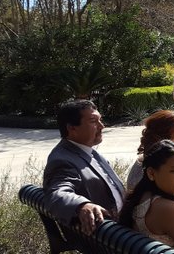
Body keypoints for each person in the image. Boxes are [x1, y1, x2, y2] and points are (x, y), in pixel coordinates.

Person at [43, 100, 125, 235]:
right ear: (71, 128)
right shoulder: (62, 160)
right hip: (112, 237)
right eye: (93, 121)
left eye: (100, 120)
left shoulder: (88, 151)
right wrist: (81, 205)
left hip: (119, 230)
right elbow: (57, 192)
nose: (102, 126)